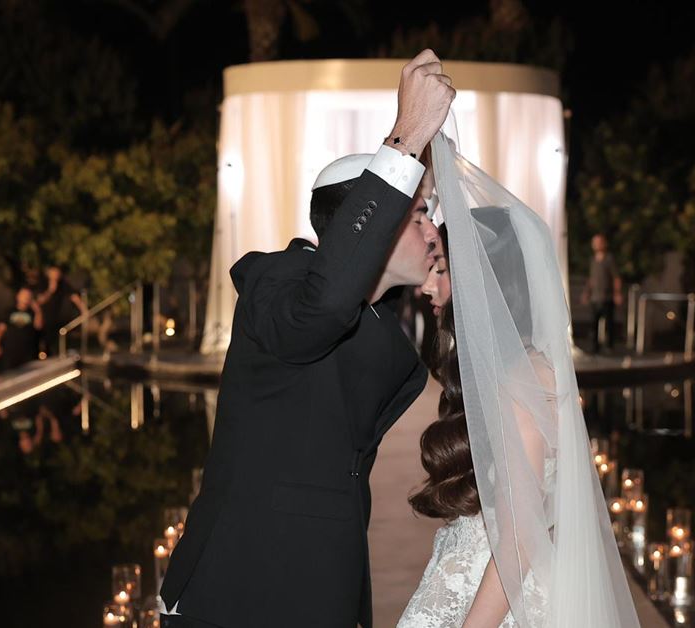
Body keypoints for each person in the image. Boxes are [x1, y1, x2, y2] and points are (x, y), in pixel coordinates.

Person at [159, 50, 454, 628]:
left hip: (324, 586)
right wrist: (405, 140)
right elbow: (321, 310)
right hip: (240, 589)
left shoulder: (385, 330)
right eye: (418, 214)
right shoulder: (277, 278)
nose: (431, 231)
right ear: (360, 224)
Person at [401, 136, 639, 626]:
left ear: (486, 281)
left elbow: (520, 537)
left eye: (440, 269)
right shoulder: (512, 370)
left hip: (500, 597)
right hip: (473, 575)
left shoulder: (522, 379)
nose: (427, 286)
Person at [580, 234, 623, 353]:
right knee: (594, 322)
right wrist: (586, 292)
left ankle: (609, 345)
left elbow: (616, 277)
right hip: (595, 297)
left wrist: (617, 293)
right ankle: (595, 346)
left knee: (609, 322)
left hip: (607, 297)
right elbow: (591, 278)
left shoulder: (609, 259)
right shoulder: (593, 260)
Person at [36, 264, 87, 355]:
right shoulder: (43, 283)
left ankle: (58, 354)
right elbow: (39, 300)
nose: (56, 275)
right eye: (54, 273)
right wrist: (50, 291)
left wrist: (83, 309)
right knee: (44, 340)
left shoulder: (63, 284)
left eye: (58, 273)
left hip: (57, 317)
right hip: (44, 317)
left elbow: (73, 296)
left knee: (58, 339)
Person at [0, 288, 43, 372]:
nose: (26, 298)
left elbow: (38, 326)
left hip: (28, 353)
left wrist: (38, 311)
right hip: (10, 352)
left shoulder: (32, 312)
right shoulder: (9, 312)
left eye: (28, 296)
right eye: (24, 295)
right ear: (18, 296)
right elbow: (0, 329)